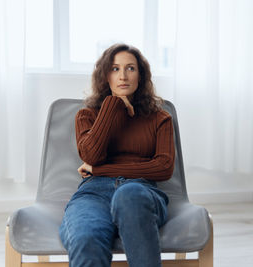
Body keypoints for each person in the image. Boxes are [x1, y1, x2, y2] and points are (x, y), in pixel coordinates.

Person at [59, 43, 175, 267]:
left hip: (140, 191)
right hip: (94, 193)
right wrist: (112, 105)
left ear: (140, 76)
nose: (123, 75)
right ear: (105, 76)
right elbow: (91, 155)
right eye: (114, 69)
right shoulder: (87, 115)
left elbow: (163, 167)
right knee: (86, 238)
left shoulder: (160, 117)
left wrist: (100, 170)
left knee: (128, 194)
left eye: (130, 68)